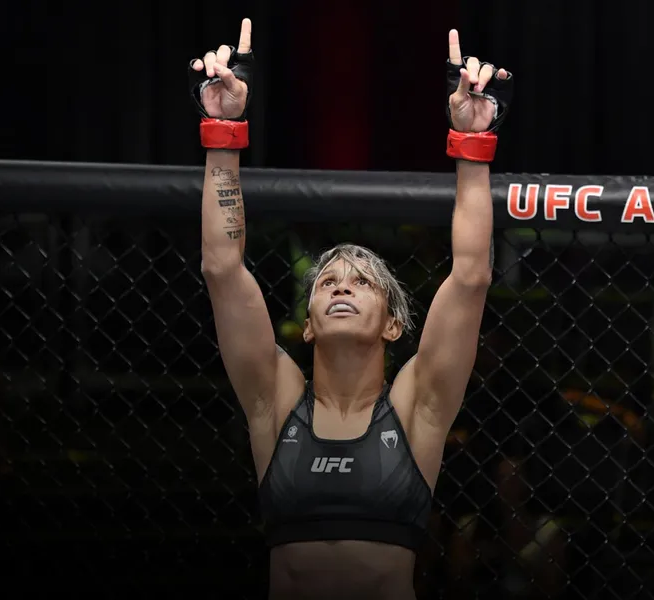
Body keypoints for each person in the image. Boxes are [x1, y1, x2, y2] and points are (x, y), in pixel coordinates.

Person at [194, 18, 512, 600]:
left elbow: (470, 277)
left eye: (362, 282)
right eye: (328, 283)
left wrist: (471, 141)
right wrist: (223, 128)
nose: (341, 288)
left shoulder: (418, 408)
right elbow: (222, 269)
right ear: (307, 325)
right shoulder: (274, 401)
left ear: (393, 323)